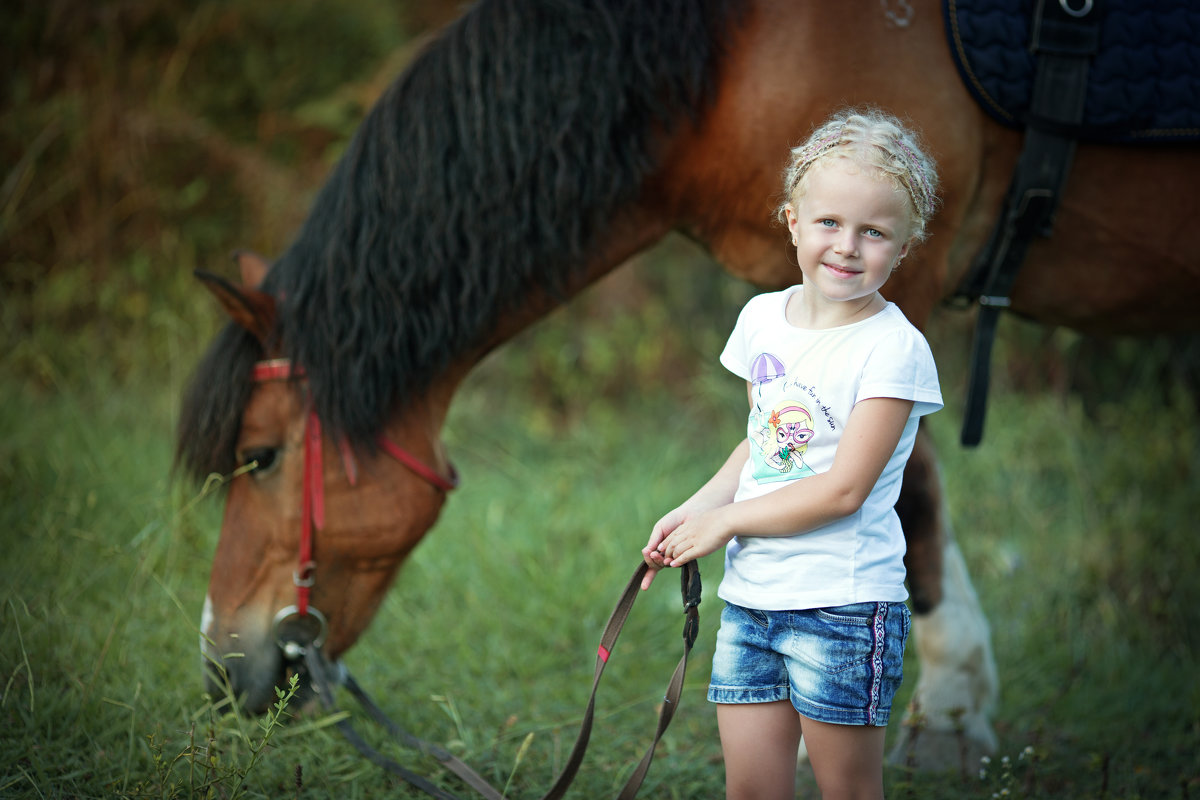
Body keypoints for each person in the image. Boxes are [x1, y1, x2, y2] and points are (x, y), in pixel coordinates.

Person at [640, 107, 942, 800]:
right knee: (751, 792)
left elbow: (844, 490)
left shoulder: (893, 350)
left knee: (848, 792)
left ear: (905, 245)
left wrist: (727, 524)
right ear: (791, 220)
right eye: (830, 223)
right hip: (751, 602)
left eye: (874, 232)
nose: (846, 246)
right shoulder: (761, 320)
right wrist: (694, 510)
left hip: (843, 607)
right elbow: (763, 443)